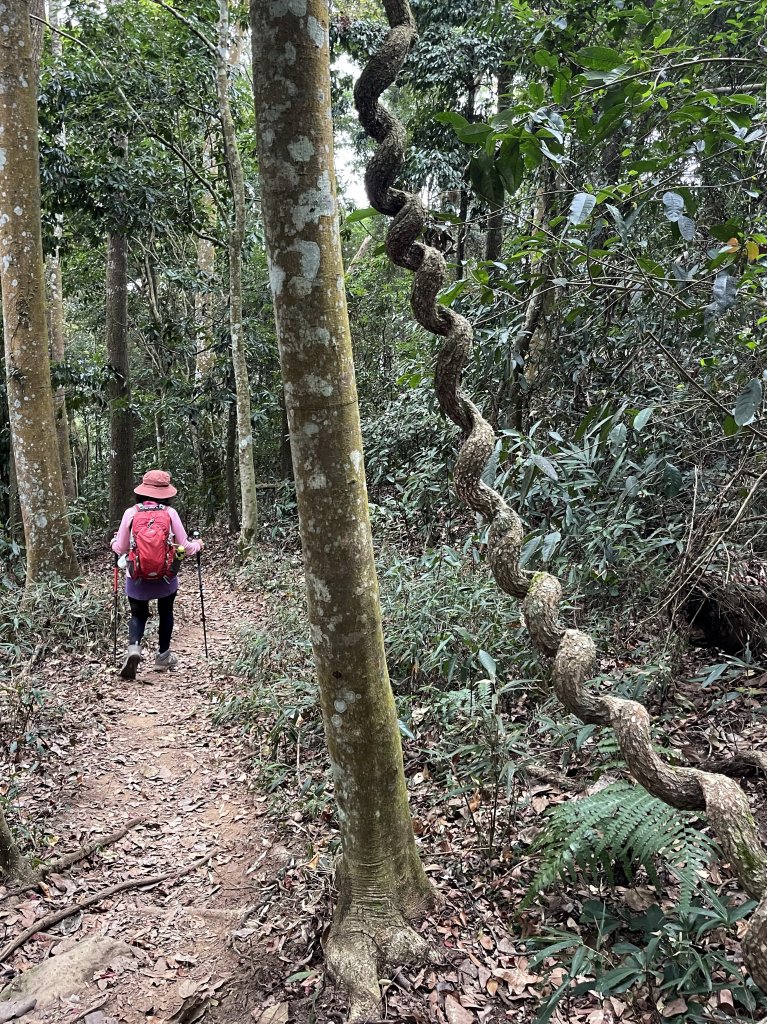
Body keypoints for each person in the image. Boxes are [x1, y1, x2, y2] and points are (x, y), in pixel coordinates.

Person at [111, 469, 203, 679]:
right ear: (166, 493)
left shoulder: (131, 513)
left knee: (137, 614)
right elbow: (185, 546)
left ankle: (134, 648)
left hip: (136, 575)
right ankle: (162, 656)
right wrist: (198, 545)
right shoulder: (170, 513)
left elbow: (121, 547)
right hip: (165, 575)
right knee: (166, 611)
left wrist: (113, 543)